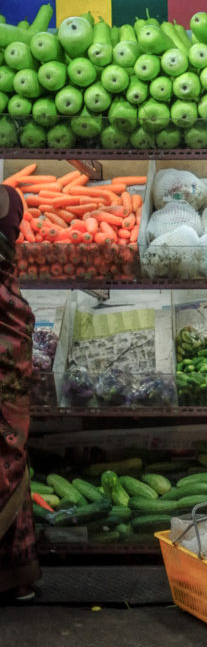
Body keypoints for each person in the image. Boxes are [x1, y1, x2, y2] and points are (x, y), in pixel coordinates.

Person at [0, 183, 40, 603]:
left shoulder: (8, 196)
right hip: (6, 361)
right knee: (7, 457)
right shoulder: (9, 198)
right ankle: (13, 577)